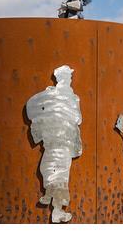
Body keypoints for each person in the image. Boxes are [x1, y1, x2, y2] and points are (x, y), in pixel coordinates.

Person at [26, 65, 82, 223]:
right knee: (59, 174)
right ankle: (57, 211)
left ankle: (49, 194)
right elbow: (78, 118)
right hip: (61, 143)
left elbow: (34, 109)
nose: (69, 79)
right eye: (68, 76)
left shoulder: (50, 96)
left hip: (54, 142)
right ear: (64, 78)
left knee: (49, 168)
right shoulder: (69, 98)